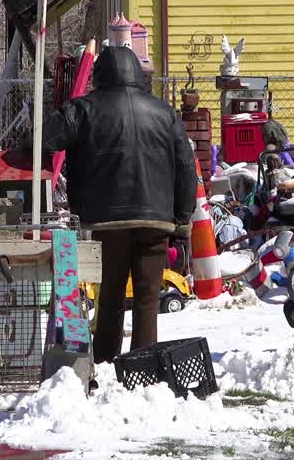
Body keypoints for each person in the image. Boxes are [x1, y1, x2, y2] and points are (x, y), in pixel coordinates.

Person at [42, 46, 195, 364]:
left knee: (110, 291)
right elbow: (185, 166)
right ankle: (142, 365)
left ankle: (106, 360)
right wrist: (182, 219)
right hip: (157, 220)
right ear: (137, 74)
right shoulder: (164, 112)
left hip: (106, 219)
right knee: (147, 297)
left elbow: (47, 138)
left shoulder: (84, 109)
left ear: (100, 75)